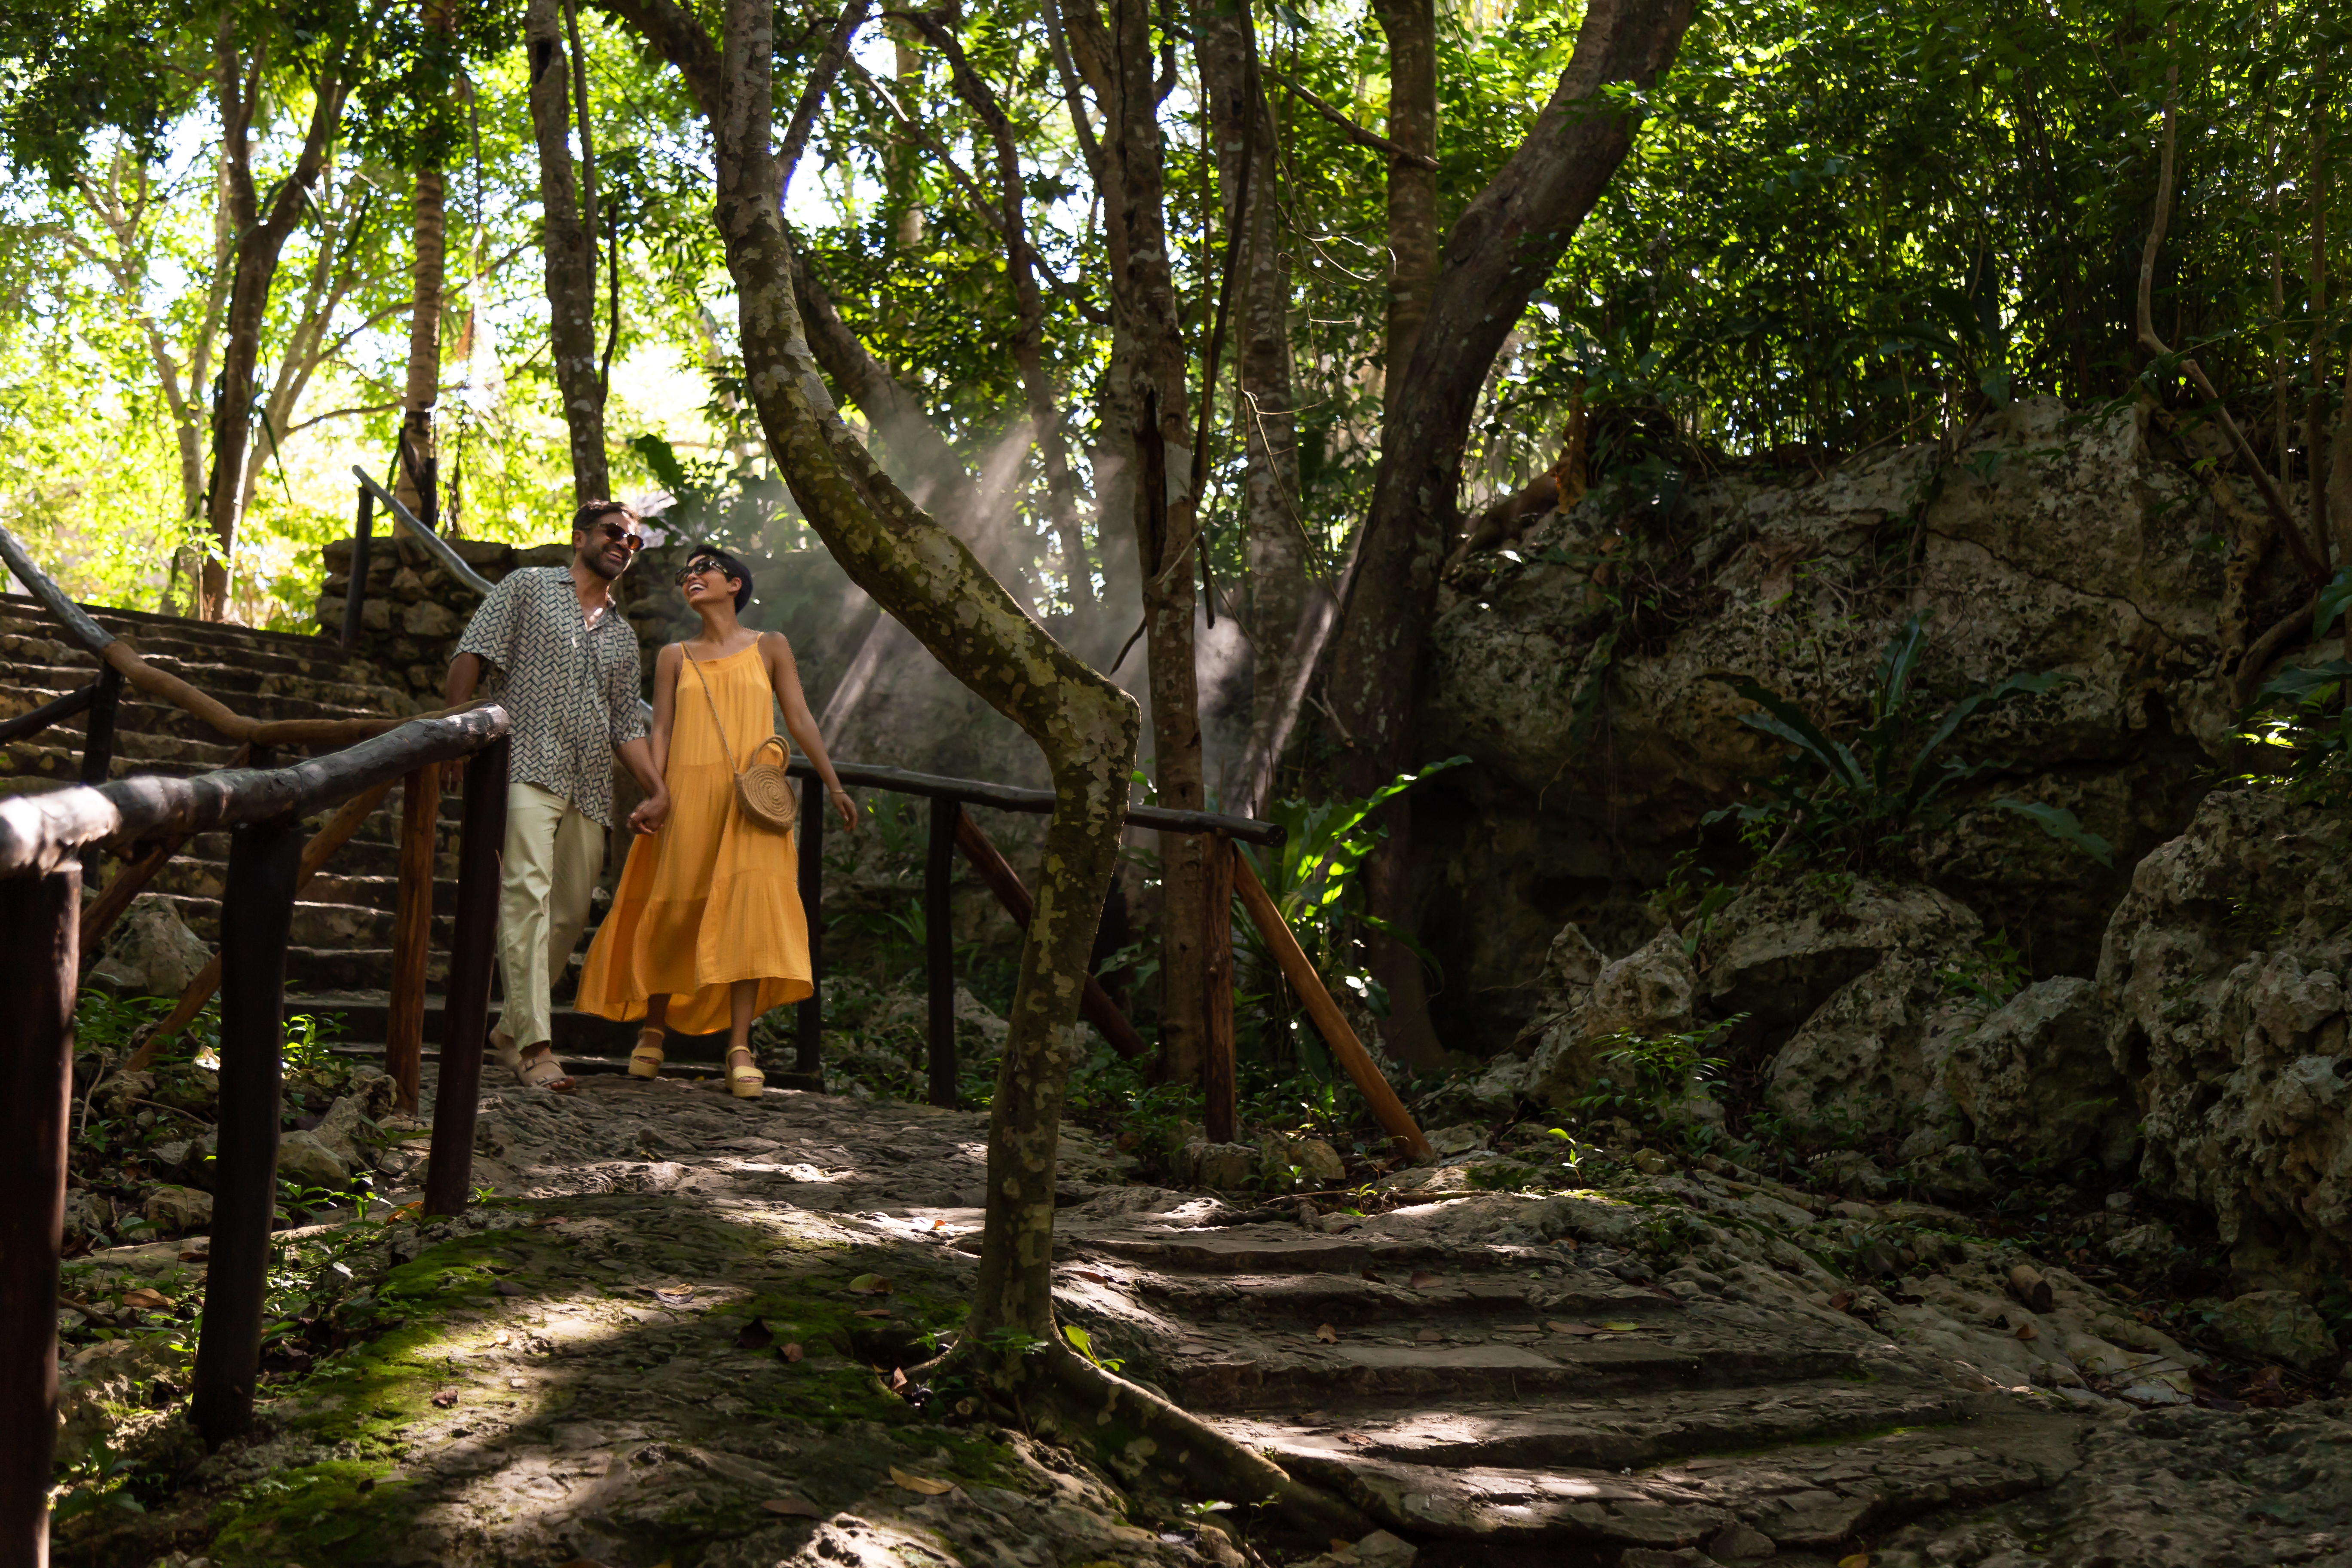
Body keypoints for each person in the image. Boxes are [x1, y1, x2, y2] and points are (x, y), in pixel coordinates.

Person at [575, 545, 858, 1097]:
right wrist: (655, 792)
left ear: (734, 584)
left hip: (751, 800)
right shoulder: (675, 656)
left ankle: (739, 1046)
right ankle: (653, 1031)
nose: (691, 578)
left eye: (703, 569)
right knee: (673, 903)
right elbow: (659, 732)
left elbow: (798, 715)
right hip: (687, 792)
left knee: (749, 912)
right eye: (686, 574)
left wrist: (834, 782)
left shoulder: (770, 646)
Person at [445, 499, 667, 1092]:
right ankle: (536, 1048)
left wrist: (658, 788)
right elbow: (472, 652)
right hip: (524, 764)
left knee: (569, 912)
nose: (624, 543)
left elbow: (627, 725)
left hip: (591, 784)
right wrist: (451, 734)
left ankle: (508, 1030)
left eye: (634, 540)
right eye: (613, 532)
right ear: (580, 537)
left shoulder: (623, 638)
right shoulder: (527, 589)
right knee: (526, 896)